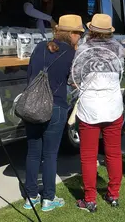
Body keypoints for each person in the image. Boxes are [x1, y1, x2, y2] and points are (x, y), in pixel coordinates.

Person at [23, 14, 84, 212]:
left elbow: (30, 73)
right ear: (71, 34)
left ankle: (30, 196)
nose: (80, 38)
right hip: (56, 106)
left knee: (33, 153)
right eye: (79, 34)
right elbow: (74, 81)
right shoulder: (71, 54)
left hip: (32, 105)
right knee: (50, 155)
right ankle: (48, 198)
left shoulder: (40, 46)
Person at [69, 14, 125, 212]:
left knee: (88, 156)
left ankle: (90, 198)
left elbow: (74, 77)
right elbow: (120, 73)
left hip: (90, 108)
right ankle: (113, 194)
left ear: (91, 29)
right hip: (112, 106)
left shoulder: (83, 49)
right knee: (113, 153)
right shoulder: (118, 48)